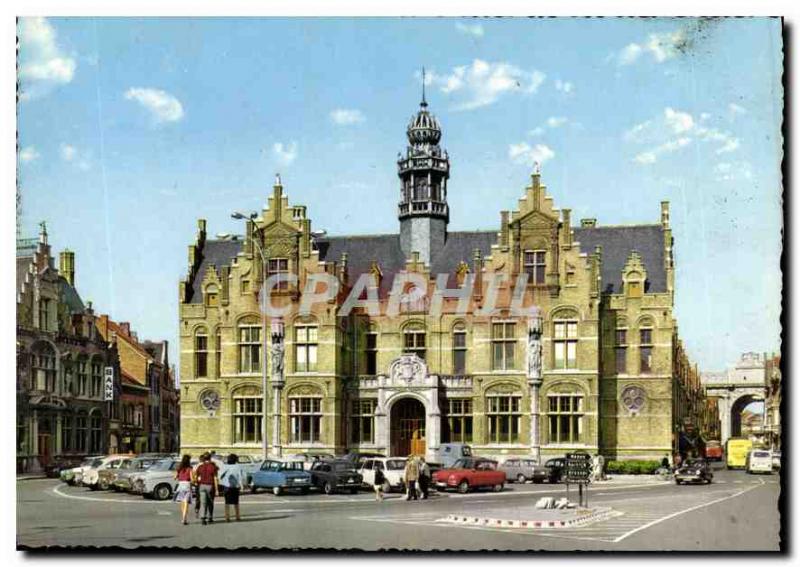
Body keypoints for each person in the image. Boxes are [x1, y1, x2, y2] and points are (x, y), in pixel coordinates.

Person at [195, 452, 219, 525]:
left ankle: (203, 518)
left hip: (202, 485)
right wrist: (217, 489)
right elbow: (215, 478)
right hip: (210, 485)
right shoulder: (213, 467)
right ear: (210, 458)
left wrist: (196, 482)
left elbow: (196, 477)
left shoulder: (200, 467)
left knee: (203, 502)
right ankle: (210, 517)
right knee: (210, 502)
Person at [219, 453, 245, 522]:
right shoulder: (238, 467)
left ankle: (227, 517)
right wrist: (242, 486)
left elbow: (220, 476)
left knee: (227, 502)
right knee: (236, 502)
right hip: (235, 486)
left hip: (227, 486)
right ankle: (237, 516)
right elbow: (240, 477)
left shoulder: (225, 466)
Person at [173, 454, 194, 525]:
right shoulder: (190, 468)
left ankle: (183, 516)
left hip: (180, 485)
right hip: (187, 484)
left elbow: (175, 477)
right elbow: (192, 479)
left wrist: (178, 475)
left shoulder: (179, 468)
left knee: (182, 501)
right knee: (186, 502)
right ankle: (184, 517)